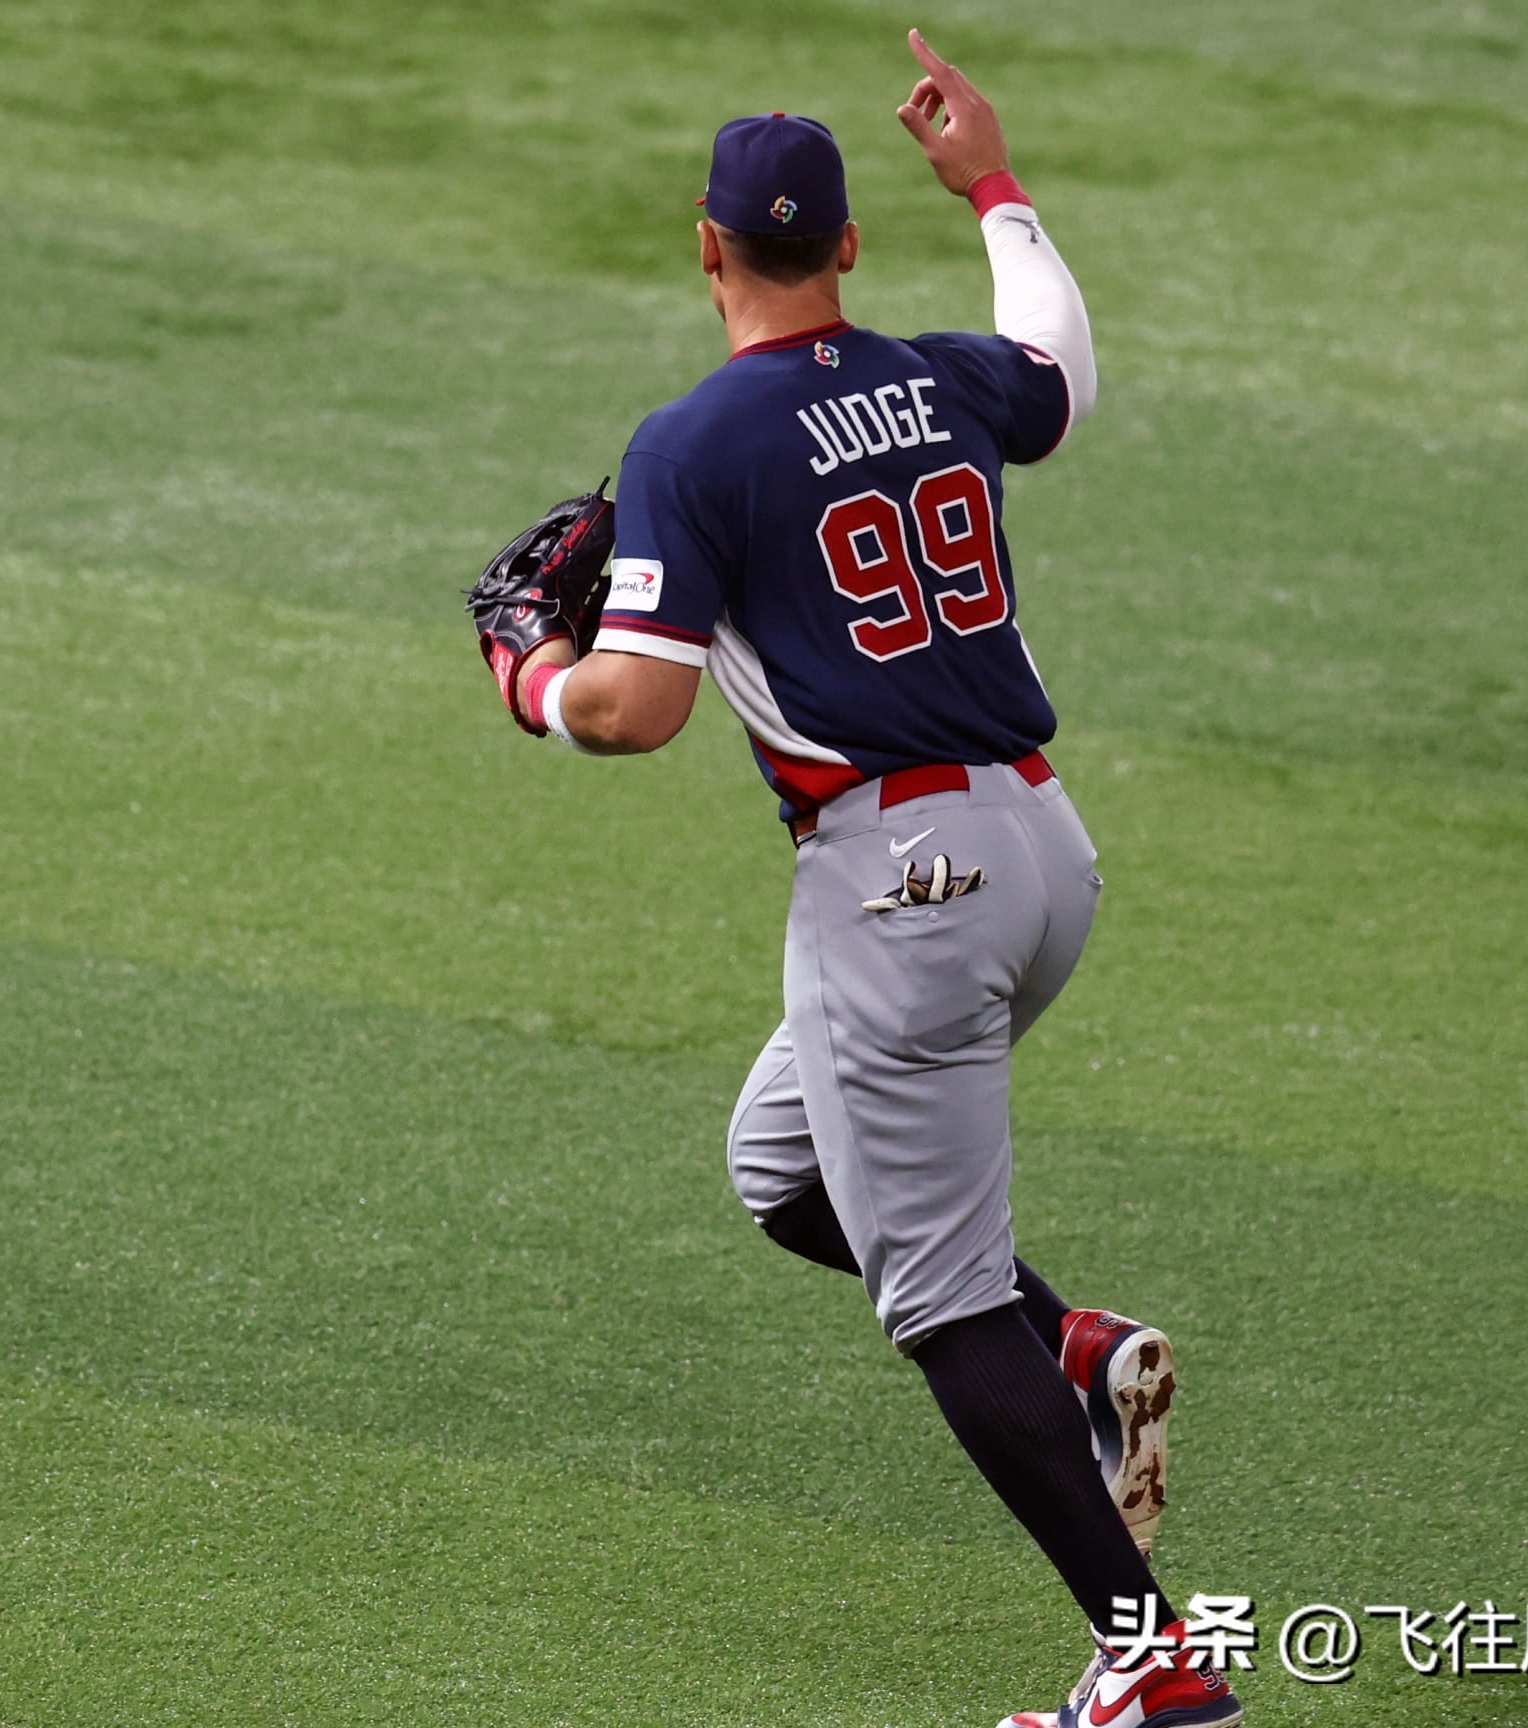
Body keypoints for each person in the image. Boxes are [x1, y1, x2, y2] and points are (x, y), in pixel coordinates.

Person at [485, 32, 1240, 1728]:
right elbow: (1062, 369)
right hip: (1042, 853)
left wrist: (529, 675)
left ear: (704, 249)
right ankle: (1077, 1351)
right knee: (783, 1168)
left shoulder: (691, 443)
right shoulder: (938, 378)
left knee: (940, 1306)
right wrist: (992, 182)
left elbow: (633, 709)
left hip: (903, 888)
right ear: (843, 245)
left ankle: (1156, 1668)